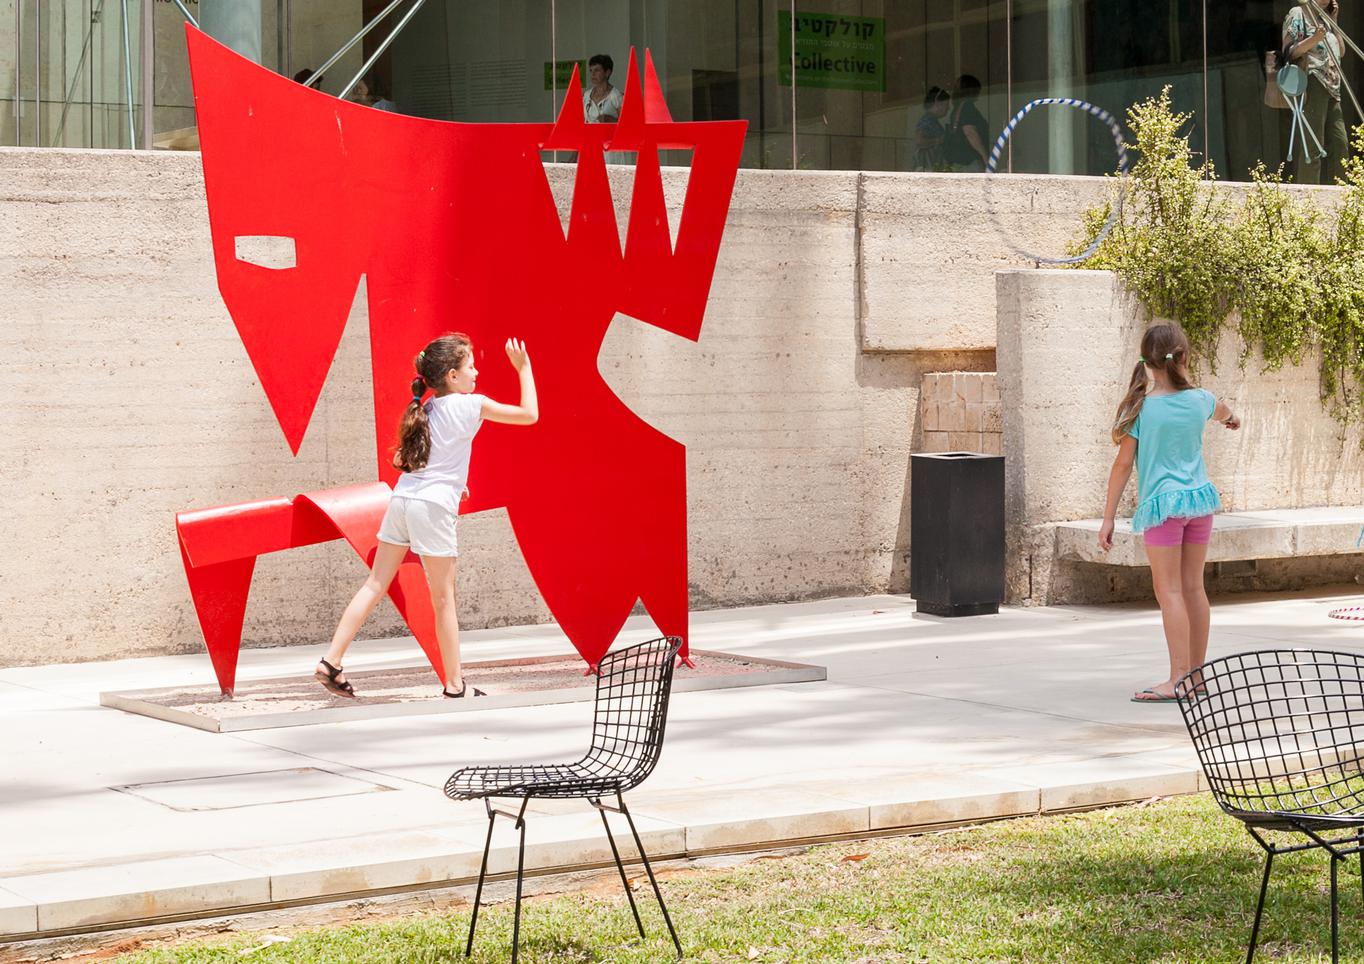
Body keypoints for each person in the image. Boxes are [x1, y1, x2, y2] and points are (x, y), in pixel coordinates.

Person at [314, 334, 539, 700]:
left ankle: (331, 661)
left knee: (375, 584)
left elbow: (402, 460)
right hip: (432, 509)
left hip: (403, 500)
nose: (476, 373)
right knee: (444, 599)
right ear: (452, 375)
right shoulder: (471, 404)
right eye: (470, 367)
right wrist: (524, 368)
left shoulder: (426, 408)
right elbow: (530, 415)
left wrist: (453, 482)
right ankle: (455, 686)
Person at [1098, 324, 1240, 704]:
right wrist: (1232, 419)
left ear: (1146, 361)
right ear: (1184, 357)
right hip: (1199, 503)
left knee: (1170, 591)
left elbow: (1122, 465)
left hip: (1163, 508)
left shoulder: (1141, 409)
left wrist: (1108, 517)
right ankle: (1196, 676)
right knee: (1194, 587)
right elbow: (1226, 412)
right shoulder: (1202, 400)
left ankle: (1178, 678)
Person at [1282, 0, 1348, 184]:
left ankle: (1341, 193)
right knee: (1313, 146)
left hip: (1333, 87)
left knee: (1340, 143)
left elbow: (1341, 52)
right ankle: (1308, 195)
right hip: (1313, 82)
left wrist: (1334, 21)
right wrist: (1314, 39)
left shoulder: (1325, 18)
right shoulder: (1298, 13)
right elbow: (1289, 51)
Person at [944, 74, 989, 173]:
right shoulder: (968, 107)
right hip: (970, 162)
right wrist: (985, 158)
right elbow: (970, 132)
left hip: (958, 162)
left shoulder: (957, 109)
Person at [912, 86, 952, 172]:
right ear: (937, 103)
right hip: (926, 169)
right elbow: (918, 140)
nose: (948, 108)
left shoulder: (932, 120)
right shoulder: (927, 120)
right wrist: (938, 140)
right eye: (946, 105)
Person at [583, 53, 623, 124]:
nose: (593, 74)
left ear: (607, 72)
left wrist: (611, 120)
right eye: (591, 70)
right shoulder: (586, 95)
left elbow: (627, 124)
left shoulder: (616, 96)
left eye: (597, 70)